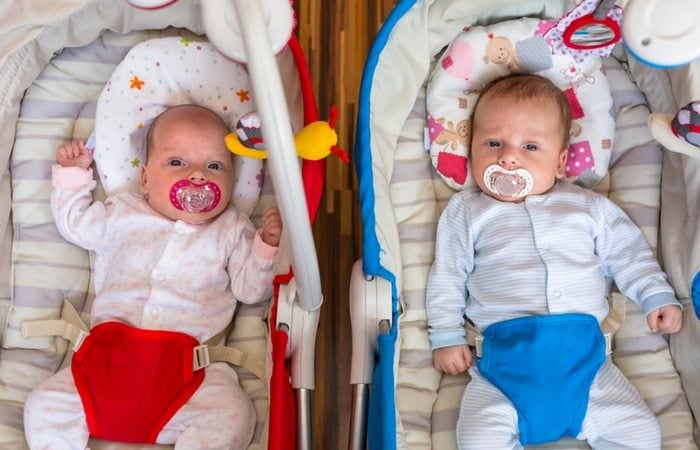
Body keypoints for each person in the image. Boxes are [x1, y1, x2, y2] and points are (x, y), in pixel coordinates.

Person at [426, 73, 683, 450]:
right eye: (493, 143)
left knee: (642, 435)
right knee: (478, 438)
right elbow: (448, 274)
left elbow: (630, 256)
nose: (508, 157)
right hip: (502, 372)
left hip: (589, 371)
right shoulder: (467, 210)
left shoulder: (588, 207)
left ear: (561, 162)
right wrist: (445, 335)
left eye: (530, 146)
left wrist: (656, 296)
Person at [24, 104, 282, 450]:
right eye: (177, 163)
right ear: (145, 178)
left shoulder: (232, 229)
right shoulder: (122, 213)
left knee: (234, 413)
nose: (197, 176)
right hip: (105, 366)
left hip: (187, 376)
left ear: (232, 181)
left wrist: (266, 248)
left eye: (215, 166)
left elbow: (251, 290)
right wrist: (73, 175)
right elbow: (76, 225)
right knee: (44, 407)